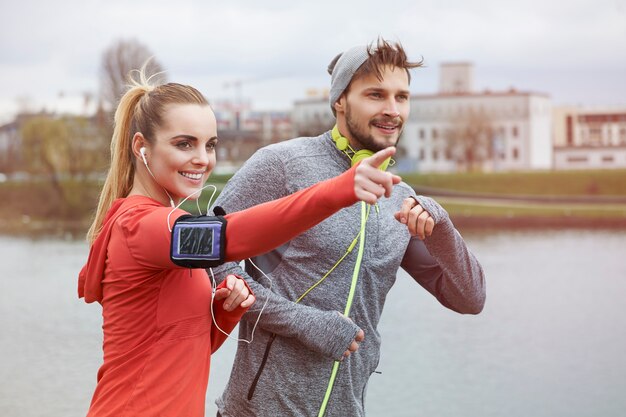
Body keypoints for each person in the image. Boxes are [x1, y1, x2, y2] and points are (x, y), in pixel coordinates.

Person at [77, 67, 402, 417]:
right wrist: (338, 190)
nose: (202, 158)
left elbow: (181, 351)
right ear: (141, 147)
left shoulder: (165, 231)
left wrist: (225, 311)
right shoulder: (141, 226)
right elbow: (231, 235)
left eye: (210, 144)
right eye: (184, 143)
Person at [212, 39, 486, 417]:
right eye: (376, 95)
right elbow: (204, 256)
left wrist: (440, 224)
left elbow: (470, 298)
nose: (393, 110)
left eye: (402, 97)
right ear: (340, 99)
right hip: (259, 409)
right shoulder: (282, 164)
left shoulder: (399, 198)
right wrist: (302, 322)